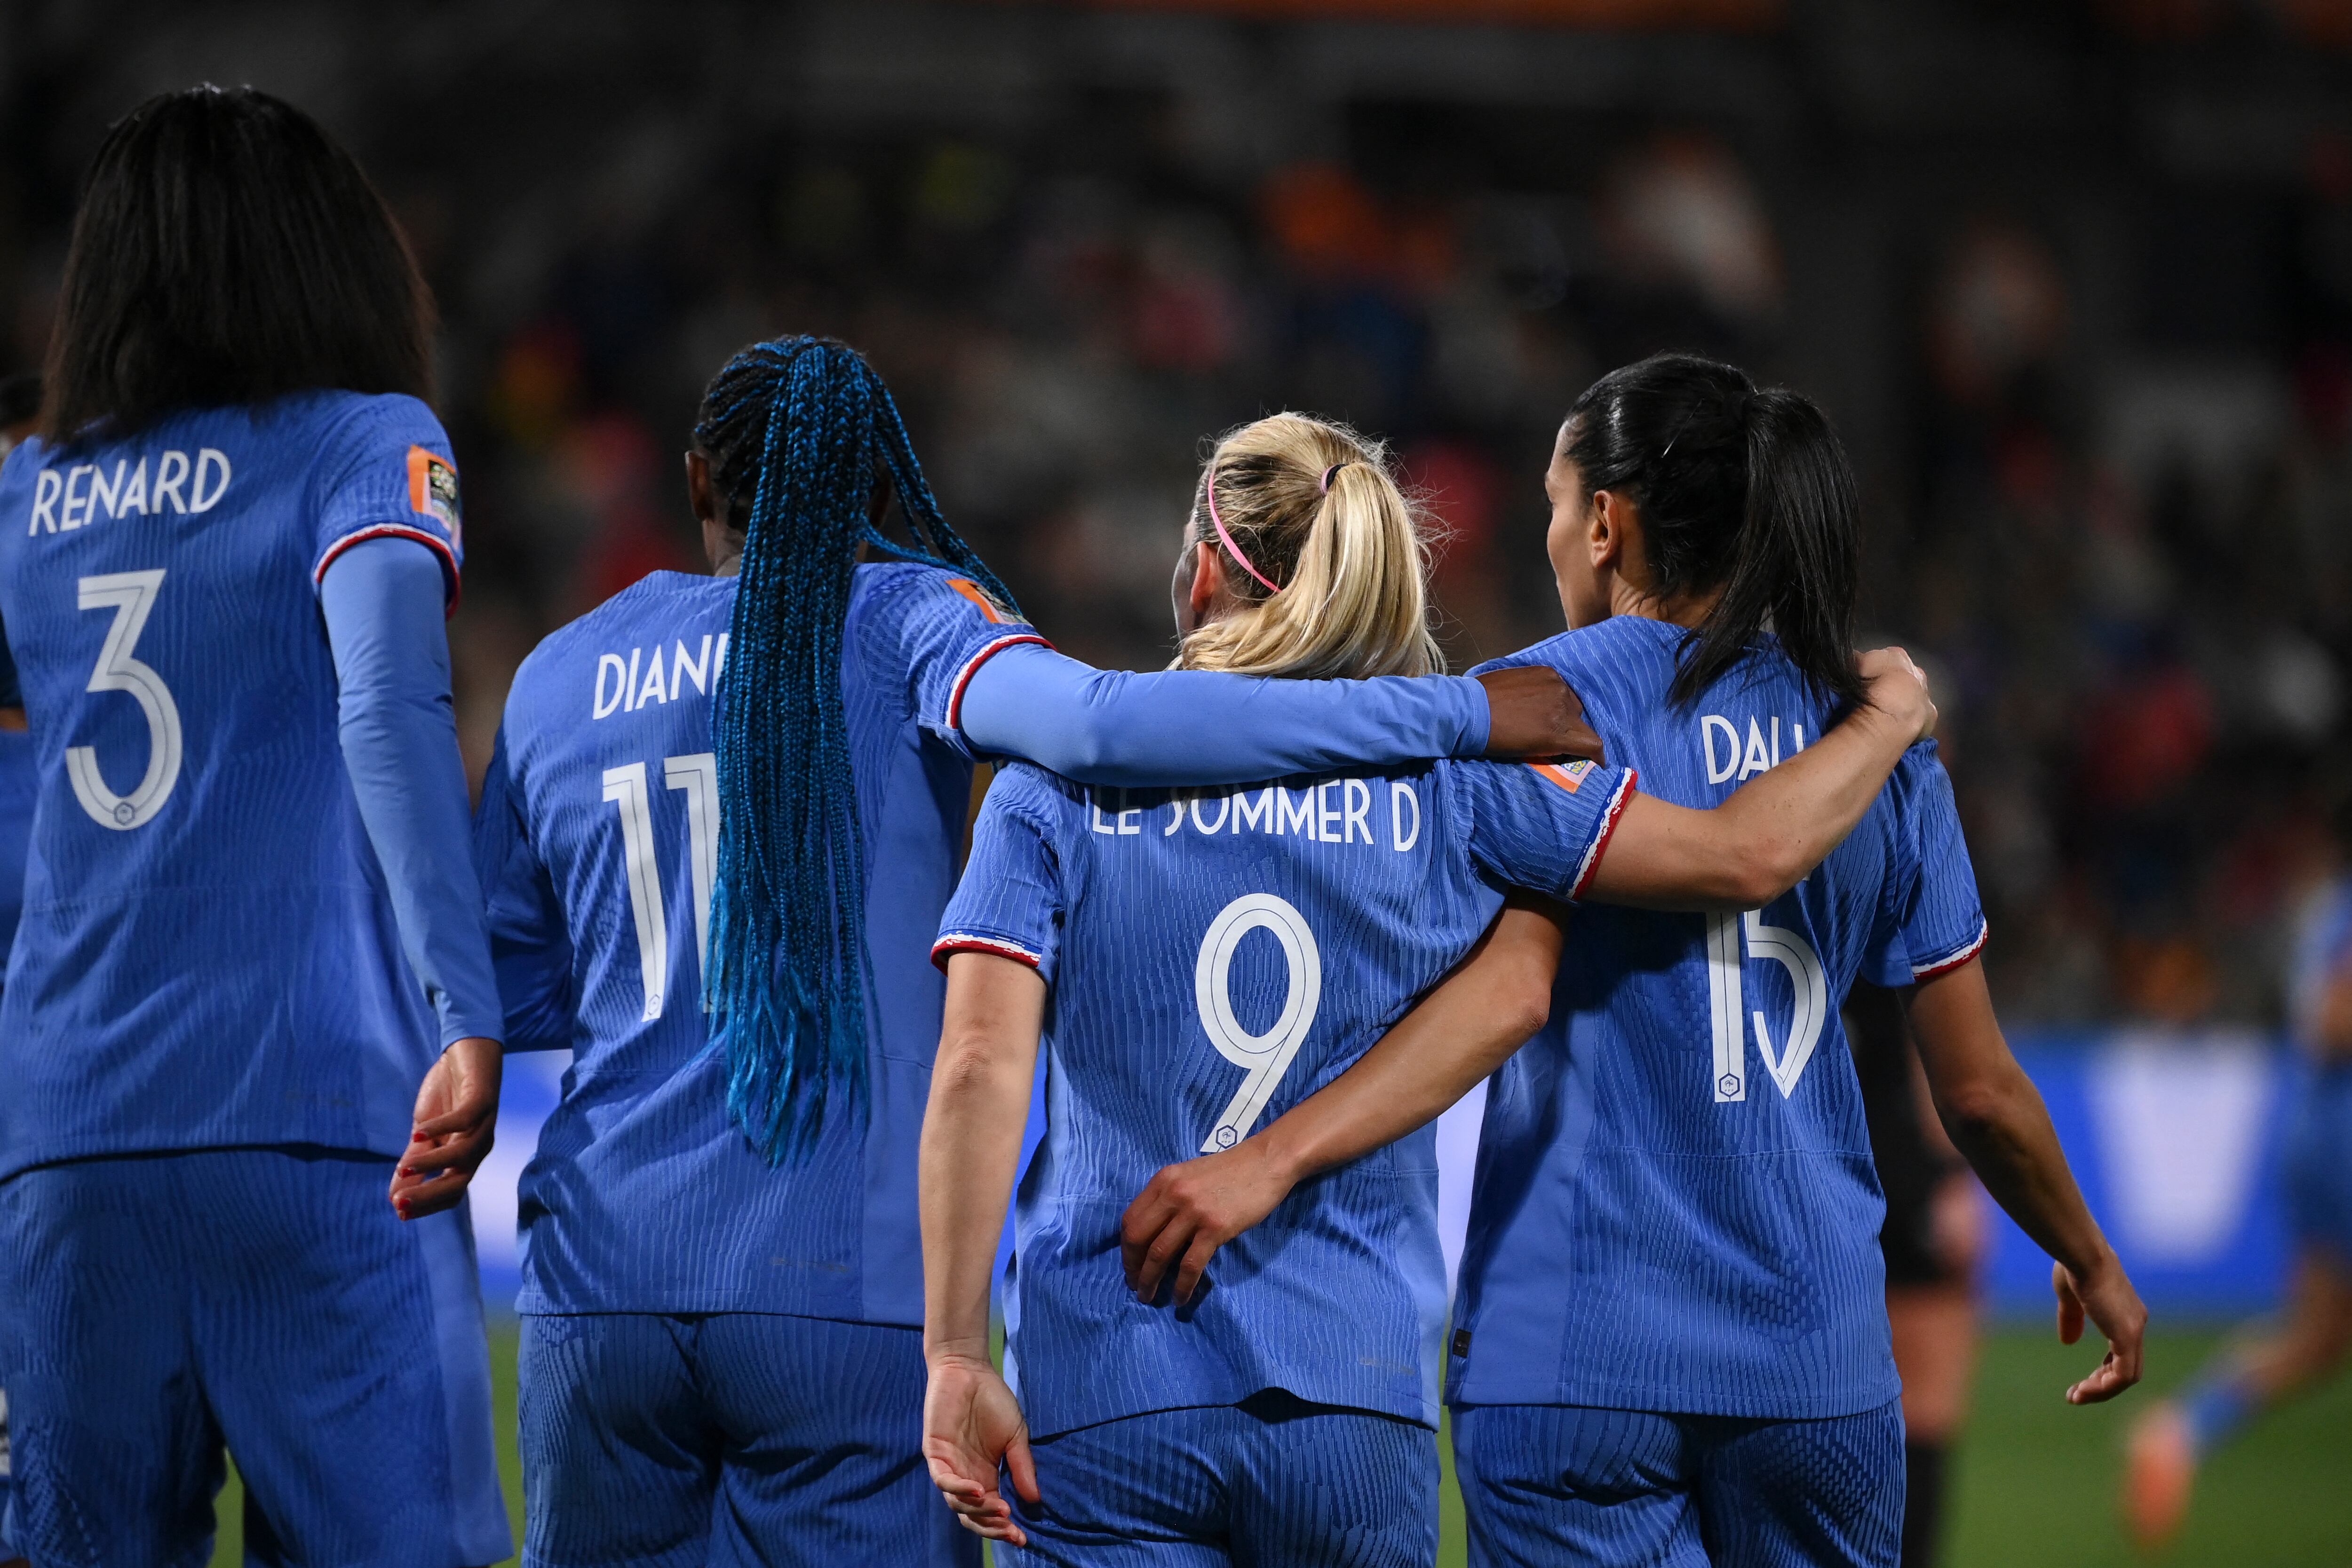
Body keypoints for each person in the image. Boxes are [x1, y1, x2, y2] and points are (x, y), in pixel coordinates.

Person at [472, 337, 1606, 1567]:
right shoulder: (919, 619)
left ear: (698, 482)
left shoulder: (556, 673)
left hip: (607, 1280)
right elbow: (1095, 721)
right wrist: (1454, 712)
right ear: (887, 495)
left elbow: (516, 987)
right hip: (864, 1281)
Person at [1117, 356, 2146, 1568]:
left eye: (1557, 507)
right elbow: (1976, 1091)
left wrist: (1264, 1158)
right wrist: (2087, 1255)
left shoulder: (1534, 713)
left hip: (1571, 1359)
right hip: (1812, 1364)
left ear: (1605, 523)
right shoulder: (1873, 745)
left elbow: (1501, 990)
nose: (1552, 537)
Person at [919, 409, 1939, 1566]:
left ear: (1203, 566)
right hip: (1354, 1389)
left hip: (1105, 1380)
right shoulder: (1462, 783)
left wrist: (955, 1354)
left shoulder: (1051, 787)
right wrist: (1886, 715)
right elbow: (1703, 873)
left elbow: (977, 1065)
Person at [0, 89, 509, 1566]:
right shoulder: (364, 443)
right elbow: (390, 710)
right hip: (321, 1123)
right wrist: (464, 1008)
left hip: (68, 1154)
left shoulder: (23, 490)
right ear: (325, 247)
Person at [2122, 794, 2352, 1551]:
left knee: (2321, 1336)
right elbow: (2334, 1020)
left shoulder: (2329, 908)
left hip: (2318, 1134)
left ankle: (2182, 1428)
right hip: (2341, 1138)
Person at [1849, 982, 1982, 1568]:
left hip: (1770, 1155)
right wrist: (1949, 1173)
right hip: (1890, 1154)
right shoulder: (1886, 895)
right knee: (1924, 1403)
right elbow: (1939, 1030)